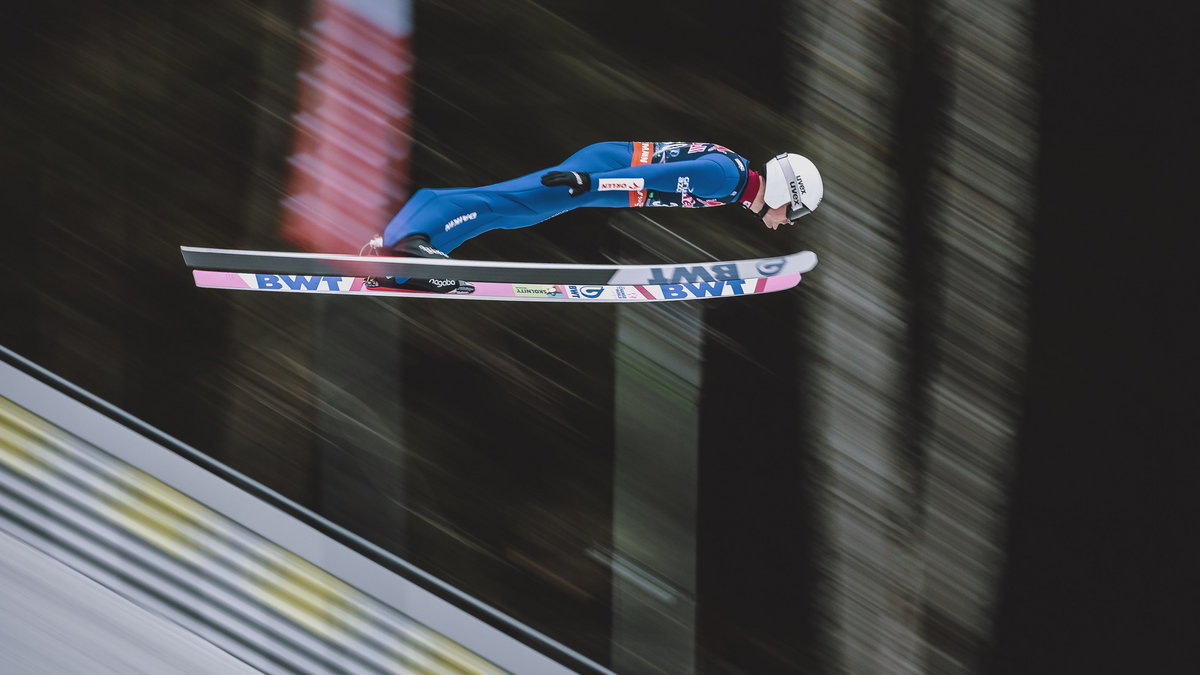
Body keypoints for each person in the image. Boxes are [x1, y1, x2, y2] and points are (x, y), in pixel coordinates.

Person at [364, 141, 823, 293]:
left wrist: (597, 189)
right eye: (795, 212)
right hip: (606, 171)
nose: (789, 221)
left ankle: (409, 259)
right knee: (505, 203)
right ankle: (409, 241)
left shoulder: (732, 181)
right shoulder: (725, 176)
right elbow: (651, 175)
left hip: (606, 181)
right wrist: (591, 182)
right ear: (788, 192)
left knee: (510, 214)